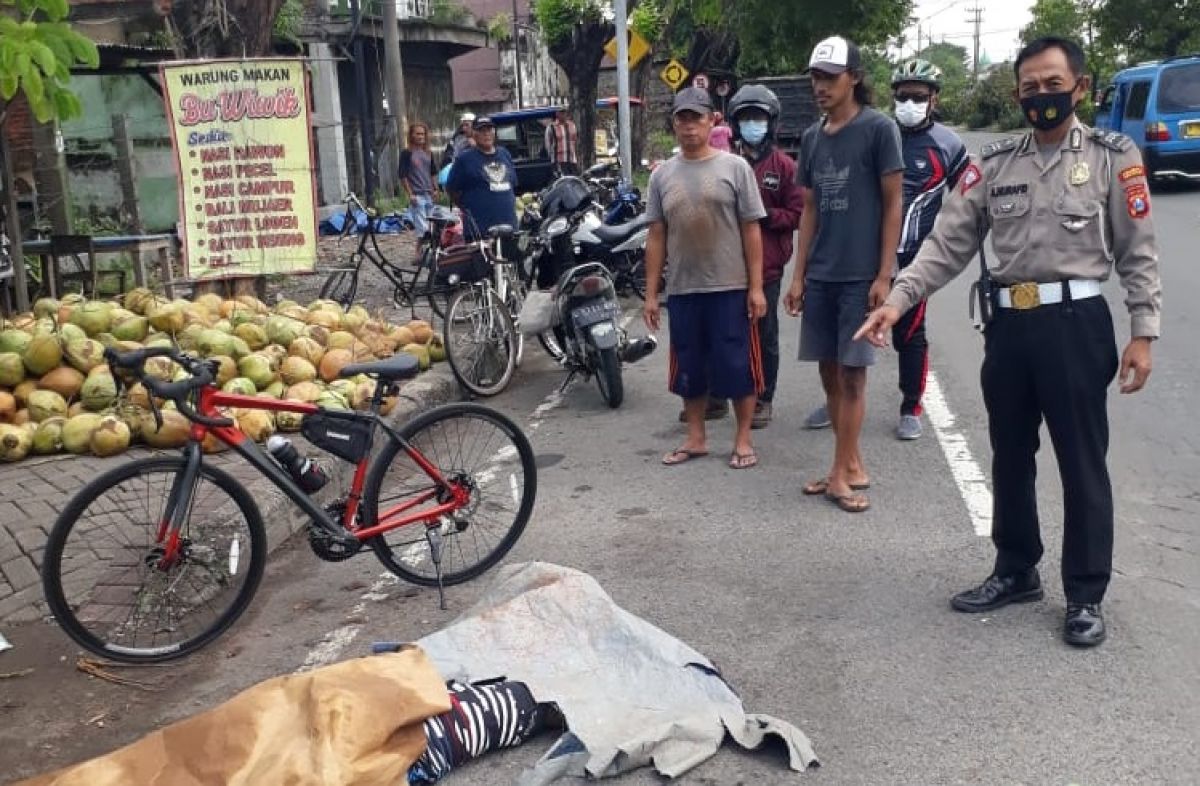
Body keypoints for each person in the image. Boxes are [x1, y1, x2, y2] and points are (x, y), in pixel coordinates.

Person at [855, 37, 1161, 647]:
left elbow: (1138, 249)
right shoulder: (993, 164)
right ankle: (1017, 568)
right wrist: (896, 300)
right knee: (1010, 455)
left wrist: (1143, 332)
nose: (1040, 97)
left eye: (1053, 85)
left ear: (1079, 86)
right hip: (1009, 327)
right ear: (1016, 93)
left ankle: (1085, 592)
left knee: (1081, 462)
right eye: (1029, 87)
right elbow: (947, 245)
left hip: (1076, 326)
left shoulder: (1111, 156)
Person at [804, 59, 968, 440]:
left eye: (918, 97)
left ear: (933, 99)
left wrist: (944, 243)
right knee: (846, 334)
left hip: (915, 259)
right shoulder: (876, 132)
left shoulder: (949, 145)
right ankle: (837, 401)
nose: (909, 103)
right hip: (867, 255)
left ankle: (911, 404)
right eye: (902, 96)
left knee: (908, 334)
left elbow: (968, 201)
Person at [783, 35, 904, 513]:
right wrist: (798, 276)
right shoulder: (812, 137)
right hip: (822, 276)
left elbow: (894, 203)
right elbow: (809, 208)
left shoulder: (879, 130)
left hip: (860, 277)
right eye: (815, 77)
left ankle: (838, 475)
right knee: (829, 373)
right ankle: (849, 463)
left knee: (853, 376)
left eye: (830, 77)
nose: (820, 86)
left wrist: (884, 274)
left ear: (854, 77)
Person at [643, 86, 768, 470]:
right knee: (689, 367)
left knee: (737, 367)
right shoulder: (661, 175)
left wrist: (757, 286)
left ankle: (743, 439)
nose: (688, 125)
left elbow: (751, 229)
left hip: (729, 288)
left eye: (696, 117)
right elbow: (656, 235)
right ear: (674, 124)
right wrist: (651, 294)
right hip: (683, 289)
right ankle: (696, 438)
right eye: (681, 118)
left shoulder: (735, 168)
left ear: (712, 119)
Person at [729, 84, 805, 429]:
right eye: (746, 119)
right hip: (728, 266)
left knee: (764, 334)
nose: (752, 125)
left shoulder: (785, 167)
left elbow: (799, 214)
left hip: (769, 268)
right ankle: (722, 394)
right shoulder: (726, 163)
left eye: (758, 118)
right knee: (728, 333)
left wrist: (764, 216)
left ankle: (763, 397)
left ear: (770, 122)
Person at [445, 116, 517, 240]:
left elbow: (513, 184)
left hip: (508, 227)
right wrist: (467, 207)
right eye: (482, 131)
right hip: (480, 229)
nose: (486, 134)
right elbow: (452, 189)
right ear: (474, 134)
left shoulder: (505, 154)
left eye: (490, 130)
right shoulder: (464, 159)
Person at [398, 121, 439, 237]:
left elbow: (433, 172)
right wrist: (410, 194)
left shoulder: (428, 153)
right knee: (423, 230)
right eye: (418, 134)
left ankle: (423, 253)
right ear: (411, 135)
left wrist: (436, 189)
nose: (421, 136)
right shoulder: (407, 153)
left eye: (423, 134)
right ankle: (420, 253)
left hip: (429, 194)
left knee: (432, 227)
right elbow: (403, 175)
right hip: (417, 195)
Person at [544, 107, 579, 176]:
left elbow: (575, 140)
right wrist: (552, 157)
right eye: (561, 112)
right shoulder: (551, 127)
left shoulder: (572, 125)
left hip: (571, 159)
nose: (563, 114)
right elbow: (548, 144)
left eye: (564, 112)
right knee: (562, 181)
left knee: (574, 180)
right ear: (557, 114)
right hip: (558, 160)